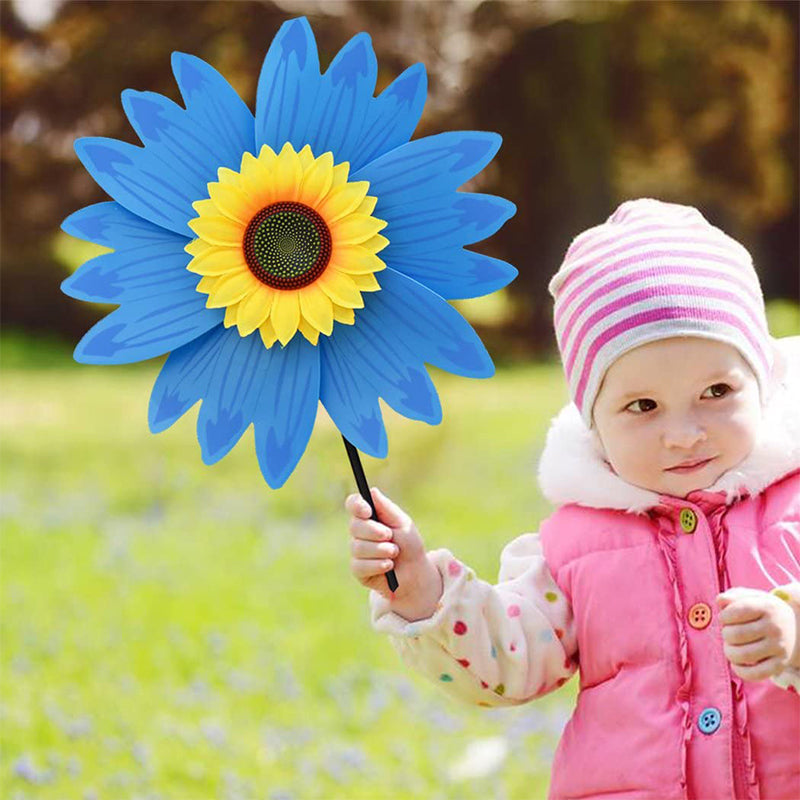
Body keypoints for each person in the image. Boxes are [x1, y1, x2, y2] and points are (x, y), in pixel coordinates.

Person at [344, 198, 800, 800]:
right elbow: (510, 664)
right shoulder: (573, 545)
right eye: (642, 406)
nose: (684, 433)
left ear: (761, 383)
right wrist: (423, 590)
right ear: (592, 421)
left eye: (716, 391)